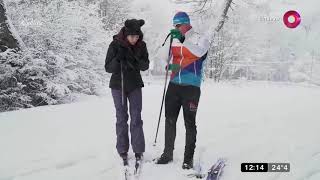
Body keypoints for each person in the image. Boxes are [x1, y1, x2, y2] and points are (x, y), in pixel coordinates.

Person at [155, 12, 210, 170]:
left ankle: (188, 159)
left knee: (189, 123)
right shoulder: (174, 38)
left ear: (187, 24)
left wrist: (183, 40)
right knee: (170, 120)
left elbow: (198, 53)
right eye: (175, 26)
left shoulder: (200, 38)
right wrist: (168, 41)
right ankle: (167, 154)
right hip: (174, 85)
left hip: (191, 88)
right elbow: (165, 58)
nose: (176, 28)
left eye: (178, 25)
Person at [104, 19, 149, 165]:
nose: (134, 39)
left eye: (137, 37)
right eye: (132, 37)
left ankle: (138, 149)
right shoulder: (115, 44)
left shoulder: (142, 46)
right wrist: (118, 58)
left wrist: (135, 58)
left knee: (136, 117)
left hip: (135, 84)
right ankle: (122, 149)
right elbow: (108, 68)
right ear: (126, 34)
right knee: (121, 117)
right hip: (118, 85)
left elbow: (145, 65)